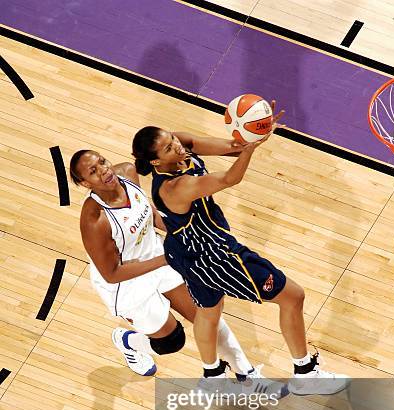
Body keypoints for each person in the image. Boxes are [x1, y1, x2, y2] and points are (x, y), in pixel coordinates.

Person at [131, 106, 349, 394]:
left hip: (183, 251)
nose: (177, 145)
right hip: (217, 256)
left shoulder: (181, 150)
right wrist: (250, 149)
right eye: (169, 148)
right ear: (156, 162)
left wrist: (251, 133)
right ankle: (305, 372)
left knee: (208, 312)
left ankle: (212, 378)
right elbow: (228, 179)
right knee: (293, 297)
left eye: (173, 138)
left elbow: (224, 148)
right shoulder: (175, 187)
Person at [69, 147, 284, 393]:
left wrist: (181, 231)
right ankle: (128, 342)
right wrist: (167, 258)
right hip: (125, 283)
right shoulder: (94, 219)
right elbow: (112, 273)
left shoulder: (127, 172)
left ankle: (247, 375)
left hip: (157, 256)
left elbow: (147, 211)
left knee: (206, 315)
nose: (104, 170)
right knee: (172, 341)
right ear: (85, 183)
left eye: (102, 162)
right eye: (93, 172)